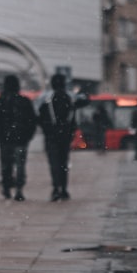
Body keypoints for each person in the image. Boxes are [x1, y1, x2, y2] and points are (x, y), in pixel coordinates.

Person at [0, 75, 38, 200]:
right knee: (20, 165)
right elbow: (32, 120)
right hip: (21, 139)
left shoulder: (1, 101)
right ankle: (19, 190)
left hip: (5, 139)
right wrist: (28, 135)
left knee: (6, 164)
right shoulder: (24, 101)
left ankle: (6, 188)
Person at [37, 73, 77, 201]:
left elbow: (40, 118)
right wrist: (70, 133)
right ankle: (64, 189)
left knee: (54, 163)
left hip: (51, 137)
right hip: (65, 136)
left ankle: (56, 188)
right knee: (63, 163)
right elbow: (73, 121)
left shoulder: (47, 100)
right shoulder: (69, 99)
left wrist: (47, 129)